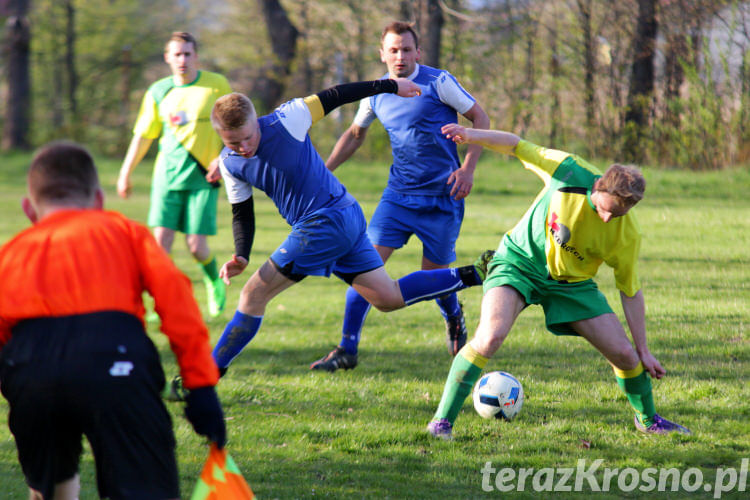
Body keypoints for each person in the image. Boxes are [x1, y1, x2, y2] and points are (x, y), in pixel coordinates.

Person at [202, 79, 493, 379]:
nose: (244, 147)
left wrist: (391, 86)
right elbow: (242, 214)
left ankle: (206, 375)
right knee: (387, 298)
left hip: (324, 221)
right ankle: (475, 273)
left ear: (255, 121)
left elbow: (338, 94)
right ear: (220, 137)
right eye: (233, 142)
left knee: (252, 296)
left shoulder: (289, 118)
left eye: (248, 137)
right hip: (343, 219)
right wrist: (241, 255)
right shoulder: (229, 164)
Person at [426, 124, 691, 440]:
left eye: (616, 215)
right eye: (605, 209)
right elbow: (515, 144)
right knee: (490, 337)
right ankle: (441, 422)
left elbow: (630, 290)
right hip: (519, 263)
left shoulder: (627, 234)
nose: (607, 220)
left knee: (624, 354)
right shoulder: (569, 171)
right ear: (597, 186)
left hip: (571, 284)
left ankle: (648, 421)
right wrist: (472, 135)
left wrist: (644, 349)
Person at [0, 142, 226, 499]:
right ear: (100, 200)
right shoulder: (125, 232)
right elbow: (176, 299)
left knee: (50, 481)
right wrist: (201, 386)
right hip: (115, 359)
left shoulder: (11, 253)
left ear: (30, 209)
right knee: (142, 487)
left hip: (31, 370)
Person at [311, 21, 491, 372]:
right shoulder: (376, 92)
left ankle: (454, 318)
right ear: (382, 54)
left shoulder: (438, 82)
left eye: (406, 49)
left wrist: (468, 168)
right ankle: (346, 349)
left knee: (435, 277)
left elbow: (479, 116)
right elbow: (354, 134)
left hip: (443, 198)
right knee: (364, 268)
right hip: (398, 198)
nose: (400, 56)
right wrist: (323, 171)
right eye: (393, 50)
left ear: (418, 52)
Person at [117, 31, 232, 317]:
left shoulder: (216, 85)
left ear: (196, 56)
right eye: (177, 54)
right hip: (167, 177)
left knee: (196, 245)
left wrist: (223, 157)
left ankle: (212, 279)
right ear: (167, 57)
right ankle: (159, 298)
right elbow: (143, 137)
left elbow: (234, 126)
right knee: (160, 246)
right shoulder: (157, 91)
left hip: (203, 177)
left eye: (188, 54)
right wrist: (125, 173)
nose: (182, 60)